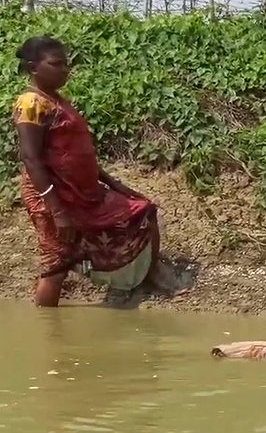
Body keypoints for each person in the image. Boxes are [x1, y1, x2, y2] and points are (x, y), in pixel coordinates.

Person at [12, 35, 185, 307]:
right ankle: (48, 333)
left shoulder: (57, 101)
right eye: (56, 64)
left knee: (143, 211)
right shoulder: (31, 104)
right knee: (56, 264)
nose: (64, 70)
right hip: (52, 197)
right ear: (33, 67)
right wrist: (57, 211)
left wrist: (117, 186)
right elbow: (31, 159)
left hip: (84, 193)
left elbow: (80, 156)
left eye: (66, 64)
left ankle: (150, 273)